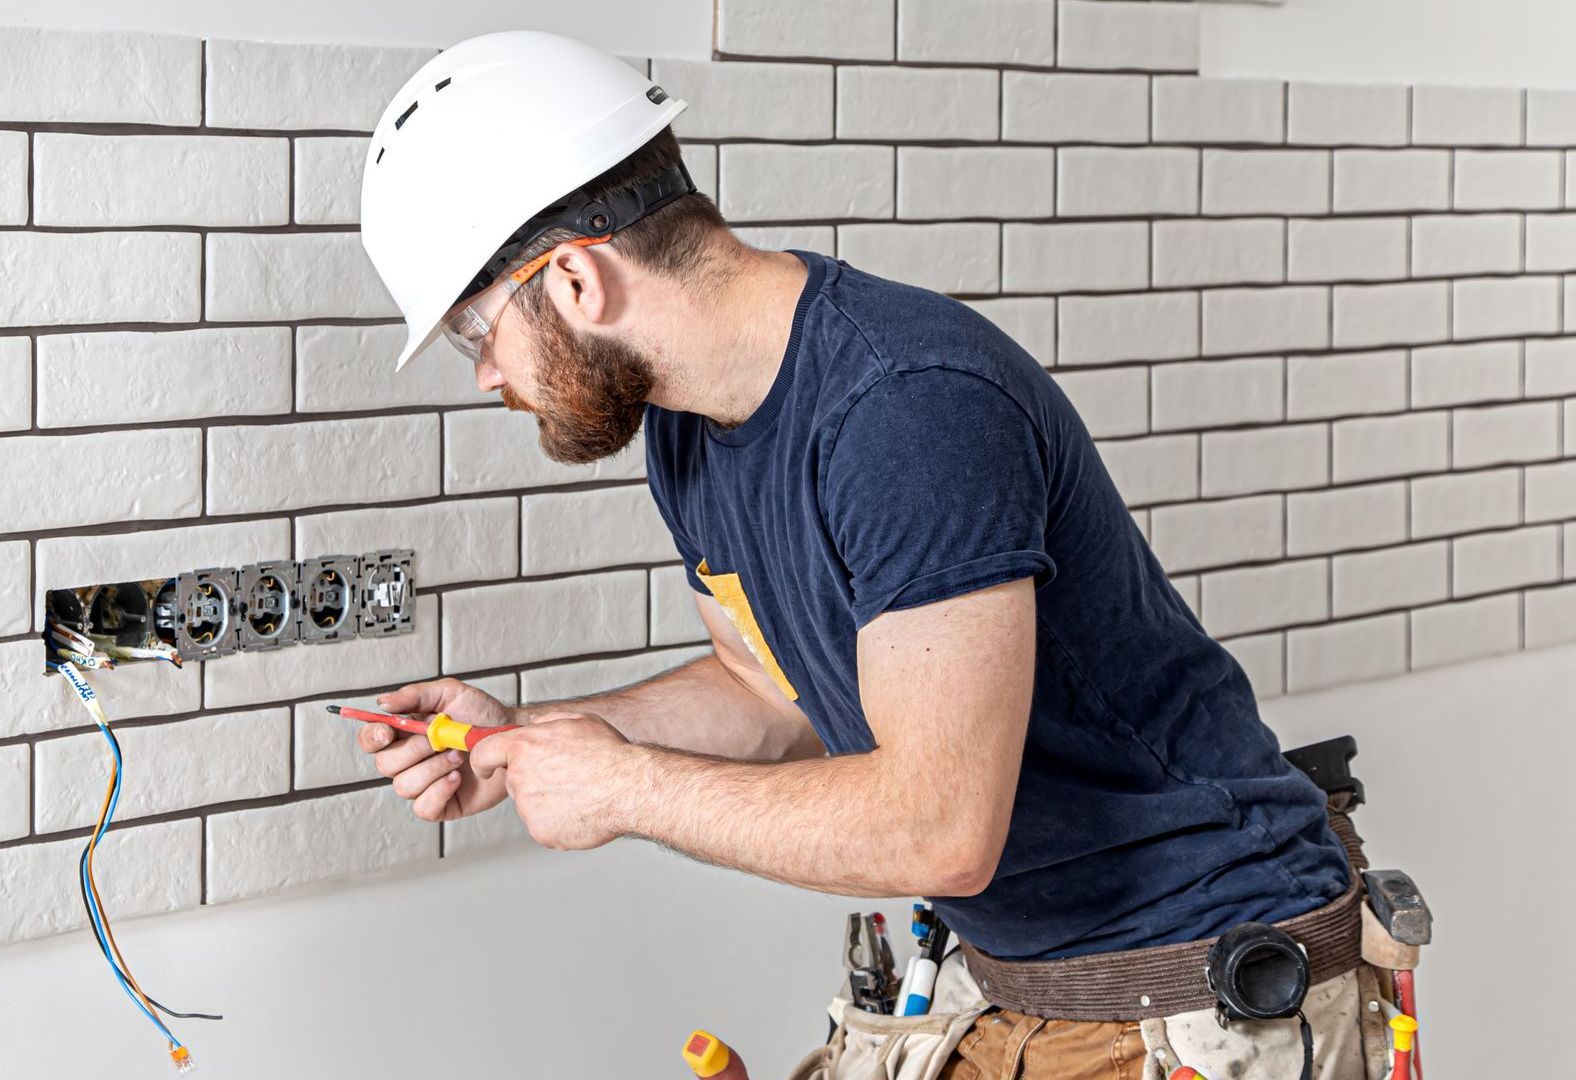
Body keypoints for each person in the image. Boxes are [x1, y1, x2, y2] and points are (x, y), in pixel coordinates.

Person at [356, 31, 1378, 1079]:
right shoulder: (686, 423)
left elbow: (941, 829)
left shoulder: (906, 411)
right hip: (1024, 979)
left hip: (1199, 982)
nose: (484, 375)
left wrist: (622, 790)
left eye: (474, 331)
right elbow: (772, 687)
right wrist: (538, 740)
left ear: (575, 279)